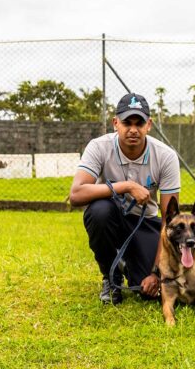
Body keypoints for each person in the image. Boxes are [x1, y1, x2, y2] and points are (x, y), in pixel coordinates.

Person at [69, 93, 181, 304]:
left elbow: (170, 220)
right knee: (99, 211)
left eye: (139, 123)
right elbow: (76, 194)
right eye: (126, 122)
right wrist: (126, 187)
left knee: (147, 289)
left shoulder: (165, 156)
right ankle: (111, 277)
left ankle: (125, 263)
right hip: (111, 218)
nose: (133, 129)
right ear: (115, 123)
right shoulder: (98, 146)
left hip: (144, 222)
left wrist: (157, 272)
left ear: (149, 125)